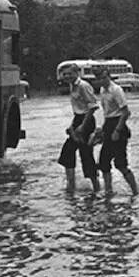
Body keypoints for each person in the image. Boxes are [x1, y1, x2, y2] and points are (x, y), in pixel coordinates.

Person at [94, 67, 139, 195]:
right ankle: (109, 191)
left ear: (109, 76)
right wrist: (102, 131)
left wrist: (117, 130)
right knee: (103, 162)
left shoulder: (116, 90)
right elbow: (107, 113)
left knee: (120, 163)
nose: (102, 80)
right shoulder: (103, 90)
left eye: (104, 77)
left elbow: (126, 112)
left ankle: (135, 191)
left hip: (118, 124)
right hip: (108, 124)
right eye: (99, 78)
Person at [57, 64, 101, 193]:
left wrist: (83, 126)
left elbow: (92, 107)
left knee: (86, 154)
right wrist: (72, 125)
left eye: (69, 73)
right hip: (78, 119)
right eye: (64, 74)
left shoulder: (83, 86)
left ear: (77, 73)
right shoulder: (72, 86)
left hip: (86, 120)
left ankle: (96, 187)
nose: (66, 76)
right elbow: (78, 108)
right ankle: (71, 184)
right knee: (67, 152)